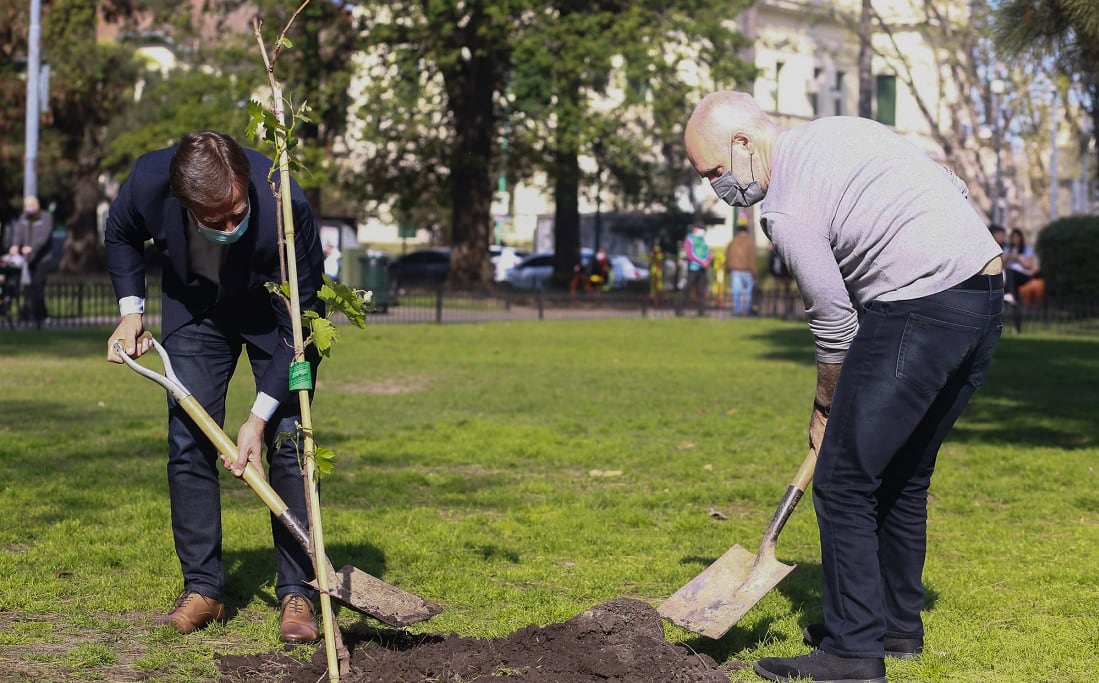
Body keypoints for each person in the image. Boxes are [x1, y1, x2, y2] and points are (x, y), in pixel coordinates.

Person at [685, 91, 1003, 683]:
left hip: (920, 308)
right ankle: (894, 628)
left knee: (842, 479)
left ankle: (853, 652)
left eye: (716, 173)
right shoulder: (840, 133)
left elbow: (834, 320)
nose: (717, 190)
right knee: (905, 473)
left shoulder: (783, 207)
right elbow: (950, 183)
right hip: (983, 297)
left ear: (743, 143)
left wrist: (824, 409)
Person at [104, 131, 326, 644]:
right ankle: (203, 588)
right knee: (188, 440)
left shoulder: (284, 204)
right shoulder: (148, 181)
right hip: (198, 308)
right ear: (184, 203)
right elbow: (120, 234)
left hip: (277, 315)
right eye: (215, 219)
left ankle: (299, 589)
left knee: (290, 439)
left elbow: (305, 321)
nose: (231, 225)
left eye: (236, 212)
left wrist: (258, 416)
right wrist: (130, 312)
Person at [7, 195, 54, 329]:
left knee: (38, 284)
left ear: (37, 205)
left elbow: (44, 237)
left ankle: (40, 316)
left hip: (42, 258)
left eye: (32, 204)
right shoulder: (23, 218)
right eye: (27, 205)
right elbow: (18, 234)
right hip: (28, 259)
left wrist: (32, 247)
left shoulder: (46, 218)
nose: (29, 207)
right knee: (28, 286)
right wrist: (15, 245)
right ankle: (34, 313)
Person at [677, 224, 712, 316]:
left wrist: (707, 261)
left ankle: (701, 311)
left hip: (702, 269)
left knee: (701, 290)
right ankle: (679, 309)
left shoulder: (703, 240)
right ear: (696, 229)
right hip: (692, 268)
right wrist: (701, 262)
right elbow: (689, 254)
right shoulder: (690, 239)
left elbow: (708, 252)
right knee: (686, 289)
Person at [725, 221, 756, 316]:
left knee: (736, 292)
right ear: (746, 232)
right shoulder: (749, 243)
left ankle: (737, 310)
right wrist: (755, 272)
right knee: (747, 293)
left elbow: (728, 256)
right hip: (747, 271)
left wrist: (727, 268)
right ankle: (747, 310)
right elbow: (752, 259)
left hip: (736, 271)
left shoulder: (732, 242)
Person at [1002, 228, 1036, 306]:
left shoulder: (1027, 249)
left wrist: (1018, 258)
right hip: (1010, 277)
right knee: (1010, 279)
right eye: (1013, 237)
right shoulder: (1007, 249)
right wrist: (1006, 258)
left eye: (1017, 237)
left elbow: (1029, 266)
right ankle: (1015, 307)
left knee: (1009, 274)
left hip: (1023, 275)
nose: (1015, 239)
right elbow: (1001, 266)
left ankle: (1010, 294)